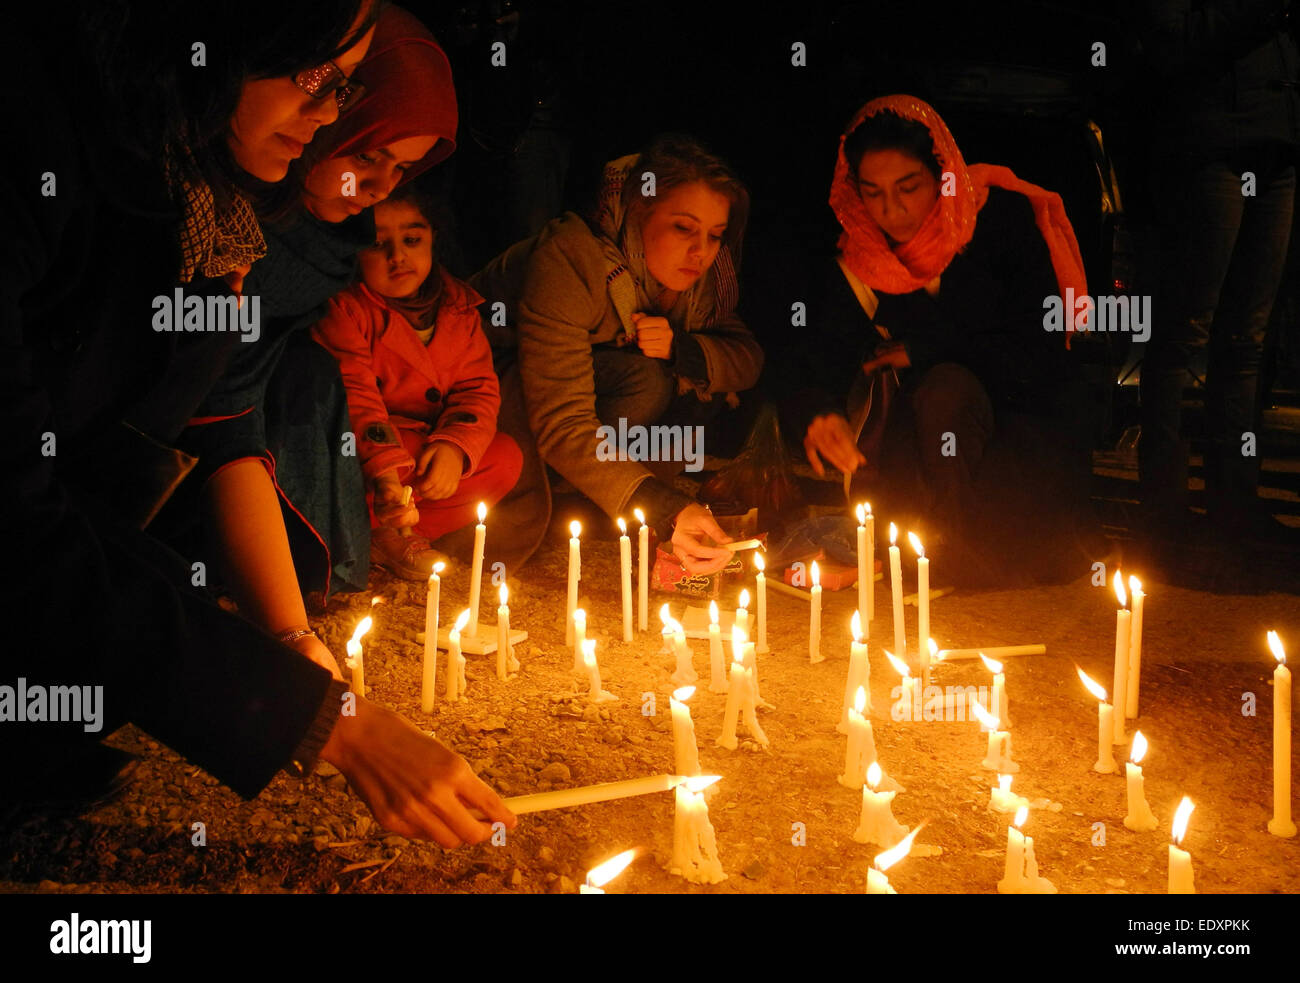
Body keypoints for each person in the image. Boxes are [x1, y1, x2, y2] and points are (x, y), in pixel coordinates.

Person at [4, 0, 515, 847]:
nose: (325, 119)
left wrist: (290, 650)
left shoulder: (210, 210)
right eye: (316, 83)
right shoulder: (49, 153)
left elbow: (216, 429)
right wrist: (326, 722)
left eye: (345, 92)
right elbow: (22, 526)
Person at [179, 3, 463, 601]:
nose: (382, 189)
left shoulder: (335, 243)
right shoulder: (223, 228)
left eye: (403, 170)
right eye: (367, 156)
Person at [781, 95, 1099, 587]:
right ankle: (939, 551)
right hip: (925, 442)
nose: (892, 211)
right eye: (873, 193)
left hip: (1021, 421)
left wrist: (928, 350)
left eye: (909, 187)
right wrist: (819, 412)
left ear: (942, 173)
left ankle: (964, 551)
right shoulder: (862, 254)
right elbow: (818, 354)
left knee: (947, 390)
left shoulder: (1000, 224)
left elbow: (1039, 350)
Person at [471, 135, 760, 571]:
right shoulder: (572, 257)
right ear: (640, 211)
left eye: (715, 235)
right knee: (645, 383)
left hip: (589, 380)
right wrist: (664, 508)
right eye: (683, 227)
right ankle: (559, 490)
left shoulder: (695, 285)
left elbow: (745, 358)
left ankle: (597, 493)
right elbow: (562, 420)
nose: (702, 252)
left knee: (675, 382)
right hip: (485, 382)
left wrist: (682, 348)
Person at [1125, 2, 1300, 577]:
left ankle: (1234, 499)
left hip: (1277, 143)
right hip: (1209, 147)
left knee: (1247, 338)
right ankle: (1164, 507)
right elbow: (1171, 38)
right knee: (1183, 331)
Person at [312, 184, 523, 577]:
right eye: (377, 245)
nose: (398, 257)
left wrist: (454, 448)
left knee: (504, 459)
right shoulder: (345, 309)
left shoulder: (460, 306)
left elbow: (476, 389)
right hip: (368, 454)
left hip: (426, 450)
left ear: (433, 240)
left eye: (412, 239)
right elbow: (356, 399)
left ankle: (397, 535)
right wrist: (387, 476)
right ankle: (368, 529)